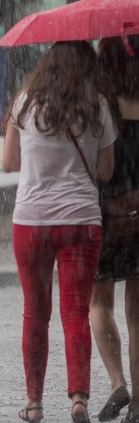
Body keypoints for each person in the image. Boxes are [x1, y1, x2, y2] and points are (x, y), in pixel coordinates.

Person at [3, 40, 117, 423]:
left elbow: (9, 163)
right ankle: (79, 400)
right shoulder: (98, 105)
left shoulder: (23, 103)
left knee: (35, 313)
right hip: (81, 221)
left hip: (31, 221)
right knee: (75, 311)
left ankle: (34, 404)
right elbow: (105, 172)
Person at [91, 34, 139, 423]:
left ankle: (117, 382)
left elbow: (99, 166)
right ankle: (138, 402)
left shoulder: (99, 104)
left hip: (107, 213)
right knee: (137, 312)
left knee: (99, 302)